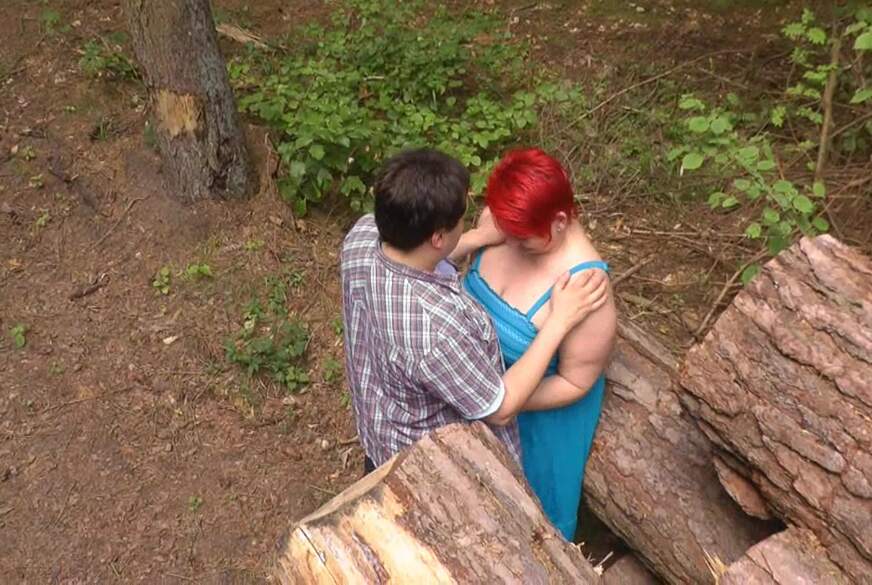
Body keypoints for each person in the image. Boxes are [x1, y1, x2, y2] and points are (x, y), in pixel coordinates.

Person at [340, 148, 609, 473]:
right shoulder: (437, 331)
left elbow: (417, 256)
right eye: (461, 220)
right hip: (427, 468)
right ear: (437, 238)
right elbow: (500, 408)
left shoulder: (362, 237)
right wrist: (559, 321)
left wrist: (476, 238)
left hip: (381, 431)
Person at [463, 148, 618, 540]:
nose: (511, 244)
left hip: (537, 423)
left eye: (523, 240)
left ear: (560, 221)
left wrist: (498, 399)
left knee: (526, 528)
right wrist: (479, 236)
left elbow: (576, 382)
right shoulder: (505, 221)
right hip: (478, 397)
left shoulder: (587, 289)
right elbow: (426, 255)